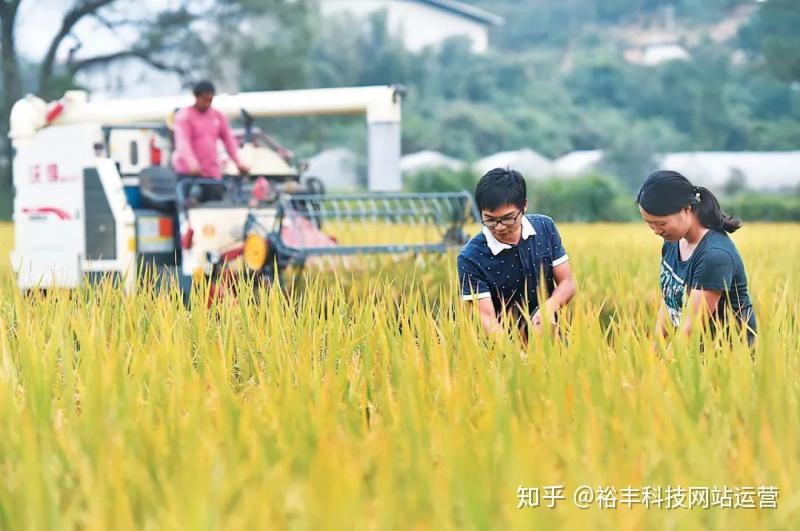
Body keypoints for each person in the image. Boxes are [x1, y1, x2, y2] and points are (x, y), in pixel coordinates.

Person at [637, 170, 756, 346]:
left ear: (687, 209)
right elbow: (670, 301)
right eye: (650, 224)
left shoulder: (714, 256)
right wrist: (653, 353)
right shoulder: (673, 241)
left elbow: (690, 329)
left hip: (728, 358)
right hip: (694, 354)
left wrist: (662, 368)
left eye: (661, 223)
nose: (656, 231)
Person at [457, 168, 577, 340]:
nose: (499, 227)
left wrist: (549, 307)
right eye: (489, 219)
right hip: (499, 349)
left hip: (550, 339)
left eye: (508, 218)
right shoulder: (470, 257)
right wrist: (517, 358)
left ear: (524, 205)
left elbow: (567, 283)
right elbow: (486, 317)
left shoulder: (545, 227)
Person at [172, 80, 249, 201]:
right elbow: (183, 143)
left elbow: (229, 140)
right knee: (186, 208)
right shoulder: (184, 116)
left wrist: (239, 162)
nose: (207, 103)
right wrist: (192, 164)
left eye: (210, 100)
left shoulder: (218, 116)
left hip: (211, 173)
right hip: (189, 173)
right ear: (196, 97)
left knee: (214, 206)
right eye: (204, 99)